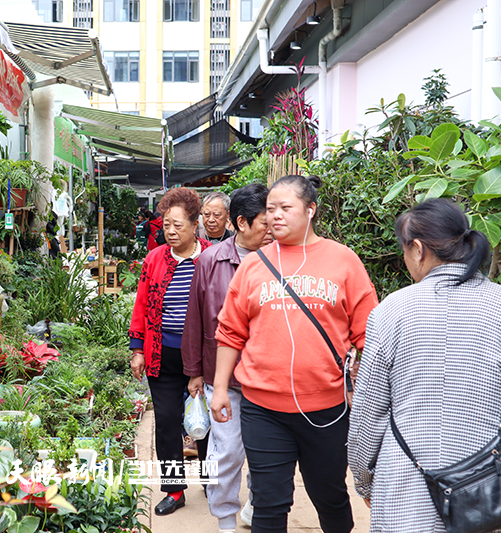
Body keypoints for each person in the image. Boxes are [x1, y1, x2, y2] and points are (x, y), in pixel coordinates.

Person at [210, 174, 378, 533]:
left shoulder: (343, 261)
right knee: (268, 504)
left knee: (329, 496)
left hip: (326, 409)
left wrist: (366, 386)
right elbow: (230, 331)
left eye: (285, 208)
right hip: (262, 409)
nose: (275, 216)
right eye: (270, 209)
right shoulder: (255, 264)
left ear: (311, 210)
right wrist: (221, 388)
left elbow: (369, 335)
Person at [348, 199, 501, 532]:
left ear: (417, 249)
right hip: (492, 496)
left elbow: (369, 412)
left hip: (406, 492)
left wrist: (364, 480)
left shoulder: (392, 311)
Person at [183, 183, 272, 533]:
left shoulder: (281, 258)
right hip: (225, 378)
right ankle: (225, 521)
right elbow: (196, 318)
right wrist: (193, 373)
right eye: (264, 222)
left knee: (267, 455)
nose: (271, 229)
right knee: (228, 451)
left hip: (269, 378)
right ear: (242, 223)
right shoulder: (211, 260)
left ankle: (254, 506)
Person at [129, 187, 212, 516]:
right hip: (162, 355)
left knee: (204, 423)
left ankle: (209, 479)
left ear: (195, 225)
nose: (171, 231)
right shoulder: (155, 259)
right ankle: (174, 490)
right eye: (166, 226)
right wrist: (137, 349)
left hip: (202, 359)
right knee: (165, 422)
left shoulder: (210, 258)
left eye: (178, 225)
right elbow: (140, 306)